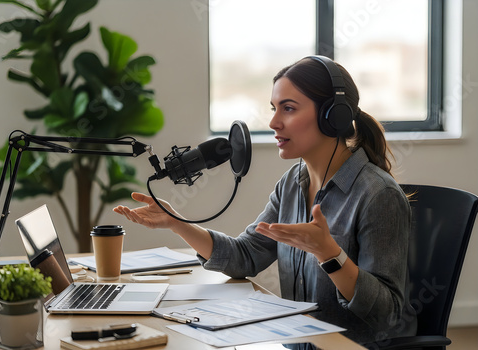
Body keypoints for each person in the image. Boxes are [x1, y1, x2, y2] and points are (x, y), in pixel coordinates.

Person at [113, 56, 417, 346]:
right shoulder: (291, 184)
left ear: (332, 116)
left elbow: (386, 314)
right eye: (274, 108)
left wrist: (330, 254)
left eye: (288, 109)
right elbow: (246, 255)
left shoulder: (378, 195)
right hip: (297, 343)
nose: (273, 122)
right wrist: (177, 223)